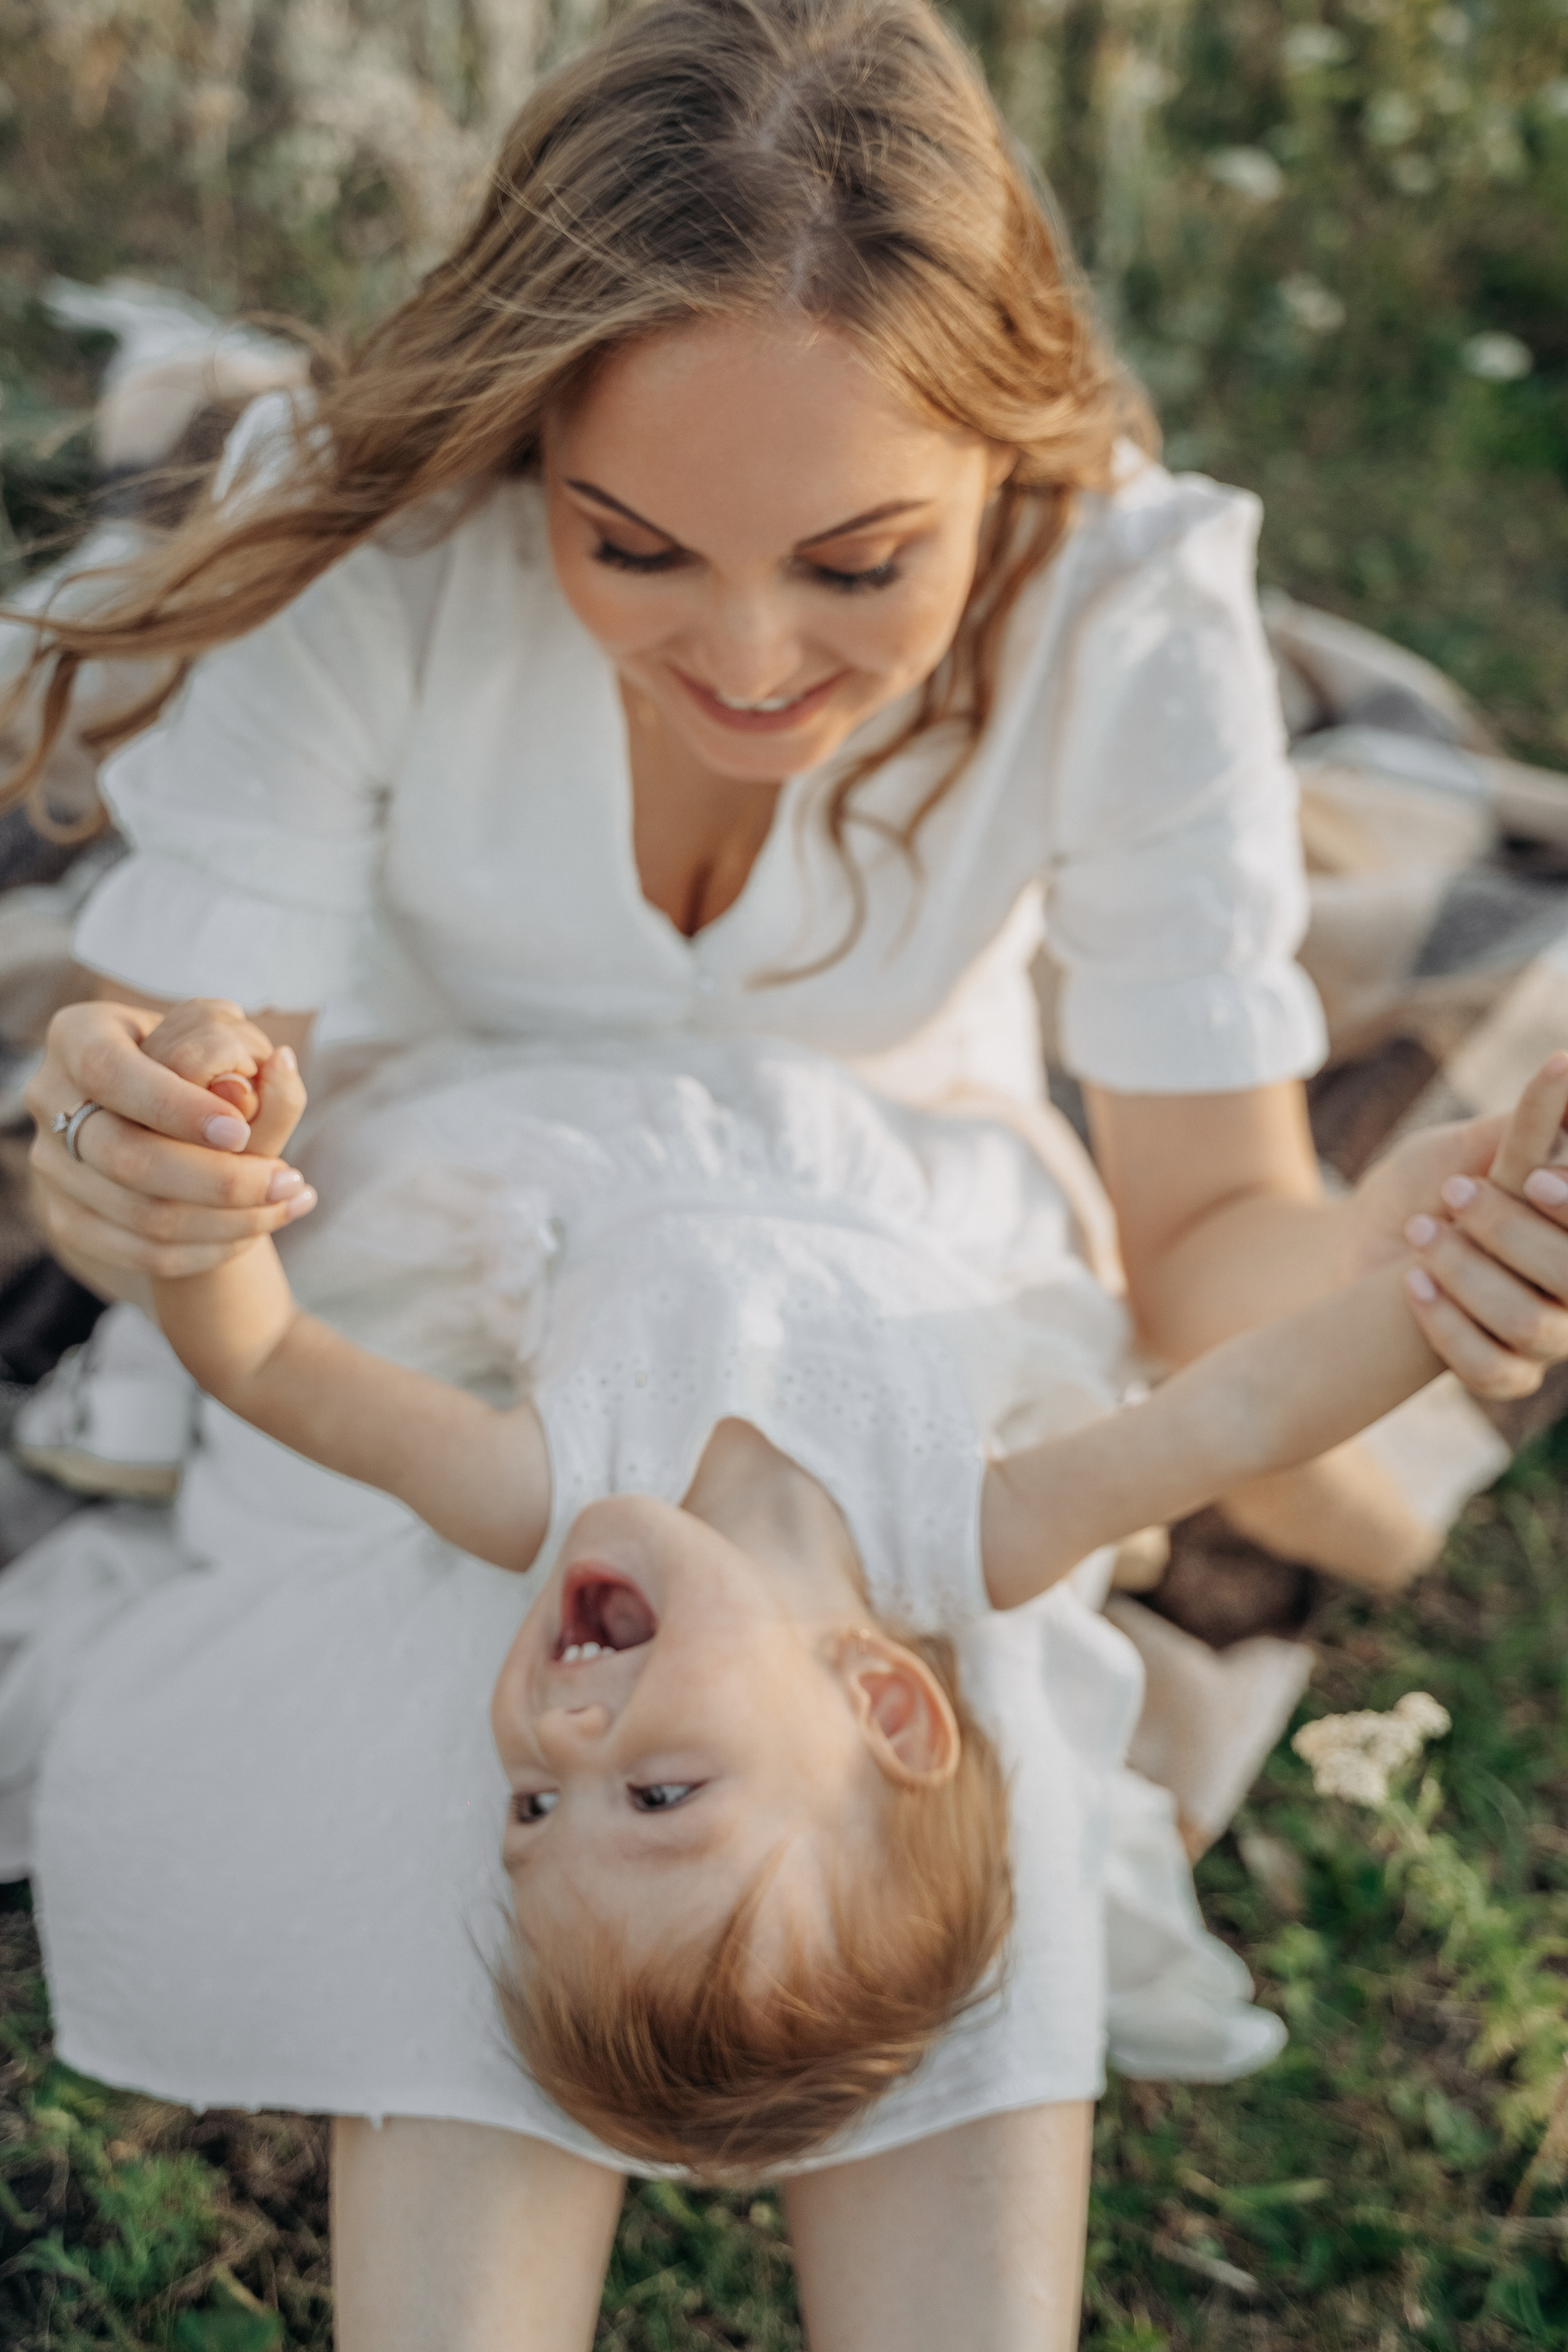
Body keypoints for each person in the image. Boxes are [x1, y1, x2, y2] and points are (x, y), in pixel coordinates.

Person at [9, 0, 1568, 2339]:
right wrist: (147, 1156)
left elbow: (1216, 1257)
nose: (745, 657)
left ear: (1008, 470)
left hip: (907, 1224)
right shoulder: (367, 539)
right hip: (447, 1213)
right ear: (528, 442)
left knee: (908, 1700)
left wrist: (1400, 1295)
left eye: (858, 567)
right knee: (486, 1668)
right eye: (631, 545)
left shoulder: (1117, 606)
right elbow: (202, 1158)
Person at [129, 997, 1563, 2185]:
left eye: (527, 1812)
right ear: (883, 1701)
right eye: (657, 1795)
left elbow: (268, 1366)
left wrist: (211, 1181)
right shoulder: (971, 1533)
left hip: (580, 1095)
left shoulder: (535, 1492)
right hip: (913, 1145)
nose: (557, 1743)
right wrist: (1447, 1264)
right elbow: (1234, 1418)